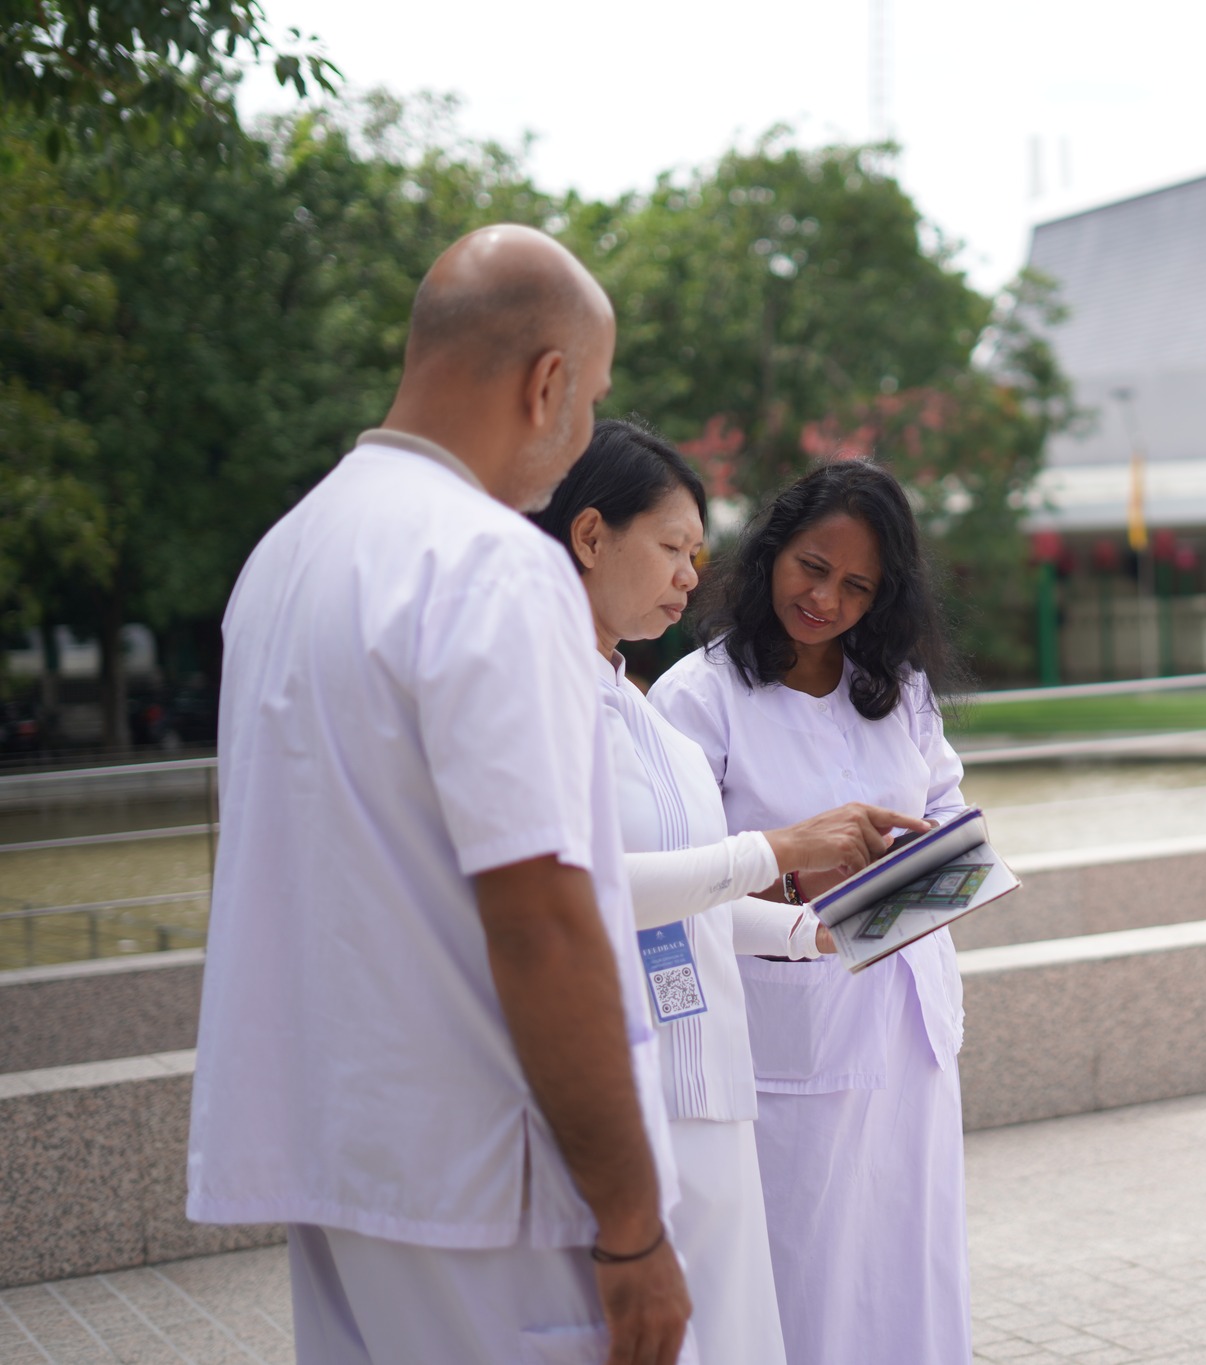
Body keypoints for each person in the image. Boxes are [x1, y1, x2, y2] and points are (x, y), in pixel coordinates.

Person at [188, 226, 693, 1365]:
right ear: (547, 384)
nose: (581, 436)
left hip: (343, 1168)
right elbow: (542, 919)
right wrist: (632, 1223)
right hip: (495, 1188)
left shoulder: (283, 558)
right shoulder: (490, 565)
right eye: (590, 400)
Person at [531, 420, 932, 1364]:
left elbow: (695, 892)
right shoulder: (567, 697)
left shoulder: (636, 709)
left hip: (716, 1073)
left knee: (767, 1325)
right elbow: (574, 891)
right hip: (643, 1079)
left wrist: (809, 934)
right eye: (674, 548)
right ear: (590, 536)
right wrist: (777, 851)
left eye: (695, 554)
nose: (688, 576)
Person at [649, 460, 973, 1365]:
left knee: (909, 1263)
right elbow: (677, 877)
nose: (826, 599)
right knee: (803, 1270)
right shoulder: (698, 697)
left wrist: (908, 885)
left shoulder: (898, 690)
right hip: (785, 1034)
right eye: (813, 567)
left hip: (908, 1029)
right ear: (772, 551)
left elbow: (950, 822)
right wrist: (798, 882)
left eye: (857, 586)